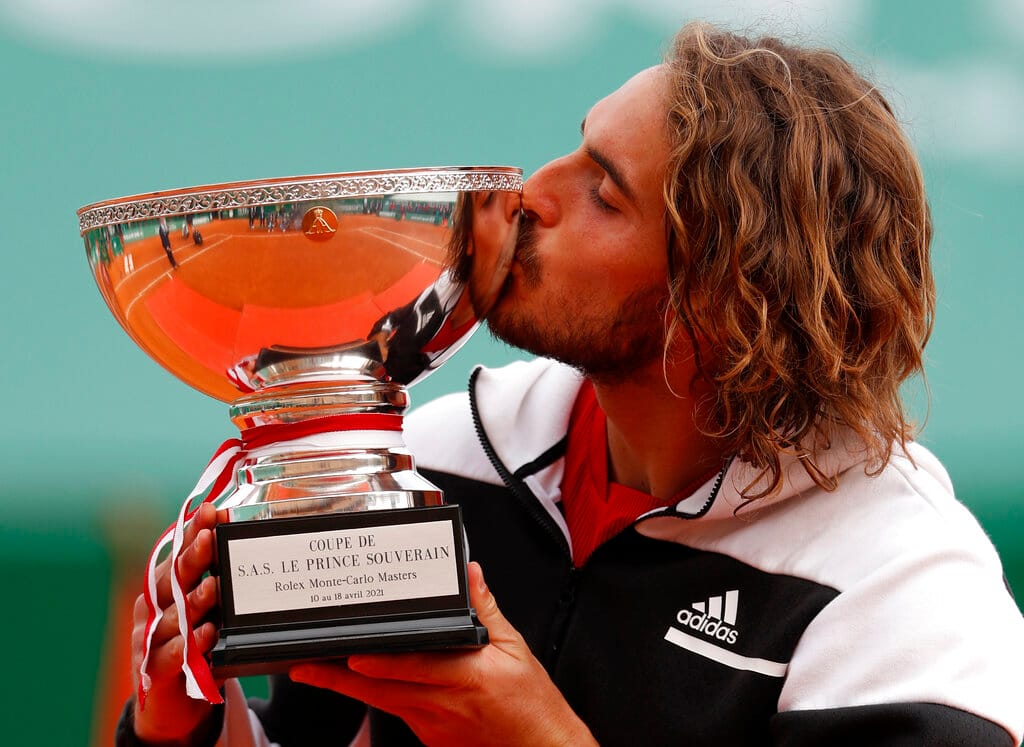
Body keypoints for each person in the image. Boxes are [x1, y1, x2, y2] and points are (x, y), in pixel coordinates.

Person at [118, 22, 1024, 746]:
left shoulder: (901, 604)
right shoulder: (437, 457)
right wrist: (186, 720)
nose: (530, 193)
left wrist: (532, 736)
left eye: (604, 192)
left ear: (722, 298)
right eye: (575, 149)